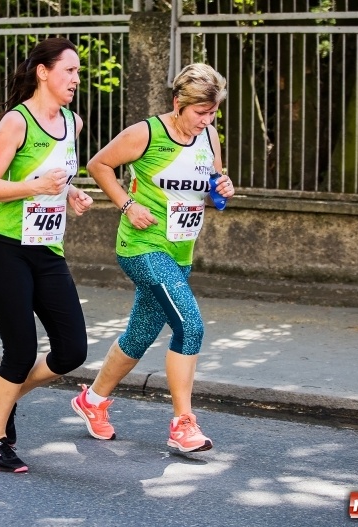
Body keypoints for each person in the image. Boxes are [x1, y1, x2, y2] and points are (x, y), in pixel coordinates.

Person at [70, 63, 233, 453]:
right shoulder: (146, 133)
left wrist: (223, 188)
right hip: (142, 246)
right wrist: (127, 205)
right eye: (200, 112)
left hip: (180, 251)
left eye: (212, 113)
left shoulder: (209, 136)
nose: (207, 120)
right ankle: (183, 424)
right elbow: (98, 164)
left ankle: (92, 401)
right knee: (189, 326)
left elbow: (212, 191)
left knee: (140, 335)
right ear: (178, 103)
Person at [0, 37, 93, 473]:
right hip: (6, 248)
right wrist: (35, 187)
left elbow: (57, 175)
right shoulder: (17, 122)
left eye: (78, 72)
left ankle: (0, 394)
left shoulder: (73, 122)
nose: (76, 79)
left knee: (72, 350)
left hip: (47, 249)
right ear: (43, 72)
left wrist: (71, 192)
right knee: (21, 351)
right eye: (69, 70)